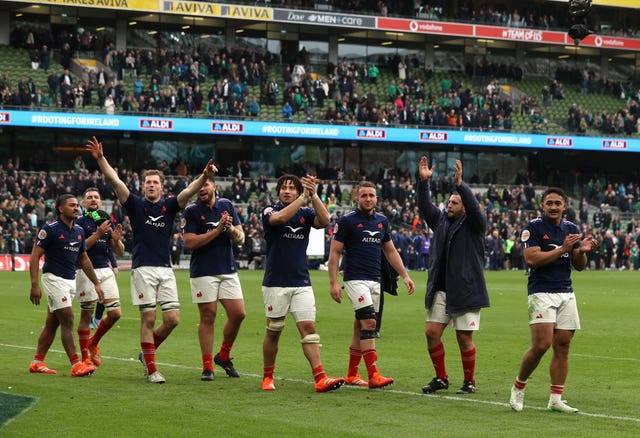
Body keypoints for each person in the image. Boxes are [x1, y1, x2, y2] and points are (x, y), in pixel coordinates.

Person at [86, 136, 217, 384]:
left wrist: (205, 176)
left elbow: (189, 191)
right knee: (148, 318)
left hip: (165, 269)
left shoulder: (169, 205)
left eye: (155, 182)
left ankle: (146, 354)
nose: (151, 186)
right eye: (147, 182)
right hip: (143, 269)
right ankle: (152, 368)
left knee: (173, 319)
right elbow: (115, 181)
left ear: (161, 186)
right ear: (143, 185)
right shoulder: (135, 205)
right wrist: (101, 158)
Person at [509, 187, 598, 413]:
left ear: (564, 206)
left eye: (558, 203)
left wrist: (581, 251)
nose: (554, 207)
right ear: (542, 205)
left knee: (563, 346)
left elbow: (578, 266)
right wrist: (563, 249)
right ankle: (518, 387)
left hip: (566, 292)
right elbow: (532, 259)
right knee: (541, 345)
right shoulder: (533, 228)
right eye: (549, 203)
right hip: (541, 292)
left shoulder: (571, 229)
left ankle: (556, 398)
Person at [261, 174, 344, 393]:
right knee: (274, 330)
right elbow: (278, 220)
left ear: (298, 191)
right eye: (284, 188)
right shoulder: (269, 210)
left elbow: (325, 221)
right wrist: (302, 199)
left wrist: (313, 195)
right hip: (275, 283)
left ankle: (320, 378)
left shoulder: (306, 214)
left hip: (301, 282)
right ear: (278, 191)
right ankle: (267, 377)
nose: (287, 191)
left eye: (292, 188)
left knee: (309, 329)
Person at [328, 181, 415, 389]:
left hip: (375, 279)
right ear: (356, 198)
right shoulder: (347, 221)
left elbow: (391, 250)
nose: (368, 199)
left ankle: (351, 374)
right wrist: (333, 283)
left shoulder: (382, 221)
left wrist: (405, 275)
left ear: (377, 198)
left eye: (372, 195)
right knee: (369, 323)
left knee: (360, 326)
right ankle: (374, 374)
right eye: (364, 195)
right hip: (355, 279)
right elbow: (335, 252)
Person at [416, 157, 489, 395]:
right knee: (431, 333)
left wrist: (461, 185)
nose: (449, 205)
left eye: (455, 202)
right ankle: (441, 377)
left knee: (463, 338)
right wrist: (423, 182)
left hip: (466, 289)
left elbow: (476, 210)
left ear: (465, 206)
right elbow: (426, 207)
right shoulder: (440, 221)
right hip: (441, 288)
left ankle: (469, 381)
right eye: (449, 202)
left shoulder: (474, 224)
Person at [28, 194, 101, 377]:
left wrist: (96, 283)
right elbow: (35, 256)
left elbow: (83, 259)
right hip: (53, 278)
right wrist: (34, 285)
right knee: (67, 318)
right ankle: (76, 364)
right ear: (60, 208)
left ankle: (37, 362)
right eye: (72, 205)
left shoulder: (78, 230)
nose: (76, 208)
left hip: (70, 280)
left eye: (77, 205)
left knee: (52, 323)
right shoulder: (50, 229)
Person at [182, 177, 246, 381]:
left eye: (205, 185)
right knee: (208, 317)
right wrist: (217, 230)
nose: (202, 189)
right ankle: (207, 366)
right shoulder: (192, 211)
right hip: (203, 270)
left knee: (238, 314)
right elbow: (189, 242)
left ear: (214, 187)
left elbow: (241, 238)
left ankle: (224, 355)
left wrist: (229, 230)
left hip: (227, 269)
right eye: (199, 186)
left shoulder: (226, 205)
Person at [75, 188, 125, 367]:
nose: (93, 200)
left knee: (115, 313)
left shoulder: (106, 220)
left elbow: (119, 251)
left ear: (101, 201)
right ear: (83, 203)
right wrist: (97, 234)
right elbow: (80, 249)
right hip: (85, 271)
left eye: (96, 197)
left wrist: (117, 240)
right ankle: (84, 358)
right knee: (86, 316)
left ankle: (93, 343)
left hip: (105, 270)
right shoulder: (78, 223)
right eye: (89, 197)